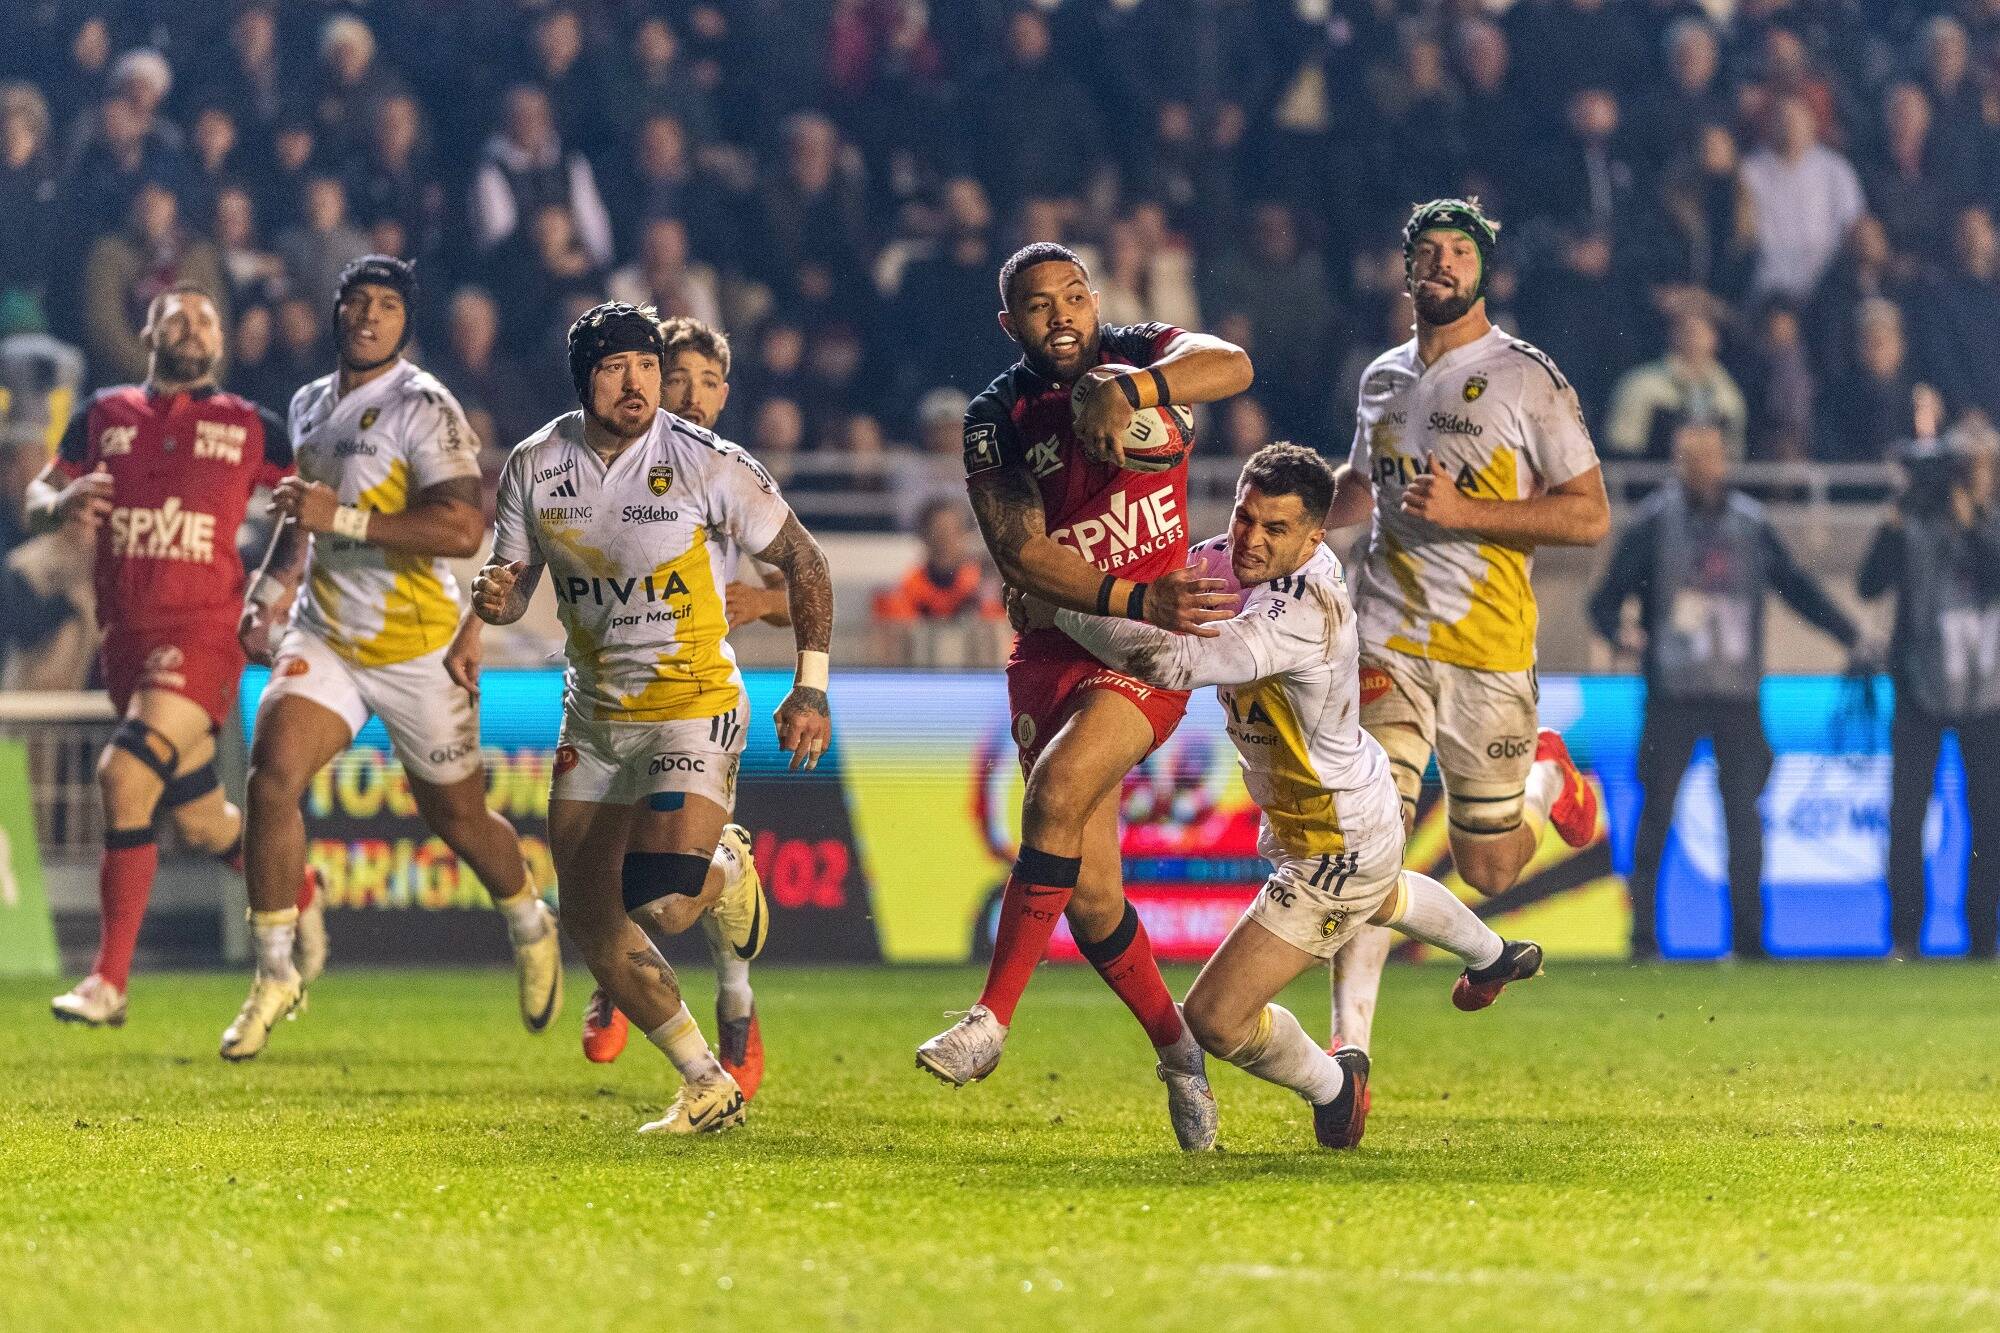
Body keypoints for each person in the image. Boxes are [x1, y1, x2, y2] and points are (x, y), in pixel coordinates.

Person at [1042, 445, 1543, 1148]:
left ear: (1315, 537)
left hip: (1334, 845)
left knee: (1215, 1017)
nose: (1250, 540)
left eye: (1275, 529)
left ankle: (1335, 1087)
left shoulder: (1302, 610)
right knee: (1385, 894)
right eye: (1245, 516)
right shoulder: (1228, 556)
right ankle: (1492, 955)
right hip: (1355, 801)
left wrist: (1058, 603)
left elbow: (1172, 660)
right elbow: (1156, 591)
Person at [913, 240, 1254, 1153]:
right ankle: (1181, 1054)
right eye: (1038, 305)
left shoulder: (1143, 352)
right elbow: (1021, 556)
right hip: (1065, 640)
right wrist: (1140, 593)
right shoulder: (997, 414)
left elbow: (1235, 363)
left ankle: (990, 1020)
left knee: (1055, 794)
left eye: (1073, 297)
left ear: (1095, 300)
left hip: (1146, 649)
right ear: (1010, 324)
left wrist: (1132, 392)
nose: (1060, 315)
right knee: (1094, 896)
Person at [472, 302, 835, 1135]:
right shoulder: (534, 463)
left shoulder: (706, 460)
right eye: (615, 366)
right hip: (595, 715)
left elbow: (805, 559)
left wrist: (810, 686)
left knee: (666, 901)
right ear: (584, 379)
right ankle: (705, 1080)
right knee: (593, 918)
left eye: (645, 363)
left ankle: (727, 870)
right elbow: (514, 580)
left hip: (691, 703)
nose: (636, 381)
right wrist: (497, 594)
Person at [226, 257, 561, 1060]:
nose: (369, 316)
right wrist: (270, 588)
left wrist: (339, 517)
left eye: (386, 305)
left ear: (405, 322)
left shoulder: (426, 406)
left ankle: (528, 917)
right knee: (271, 780)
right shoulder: (309, 401)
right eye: (356, 302)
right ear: (336, 311)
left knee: (458, 818)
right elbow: (303, 518)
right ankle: (274, 971)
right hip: (327, 633)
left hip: (419, 646)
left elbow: (460, 529)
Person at [1319, 199, 1607, 1128]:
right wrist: (1277, 518)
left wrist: (1471, 515)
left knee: (1490, 867)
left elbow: (1589, 515)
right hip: (1386, 641)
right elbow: (1362, 491)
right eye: (1427, 254)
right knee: (1368, 844)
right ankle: (1348, 1060)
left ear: (1485, 269)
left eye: (1459, 252)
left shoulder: (1527, 379)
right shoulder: (1379, 379)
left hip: (1487, 653)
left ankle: (1543, 778)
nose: (1442, 266)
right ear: (1405, 271)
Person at [28, 285, 296, 1026]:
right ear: (147, 330)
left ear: (224, 339)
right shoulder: (103, 414)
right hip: (126, 645)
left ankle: (107, 982)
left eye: (207, 316)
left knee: (123, 771)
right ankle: (301, 893)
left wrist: (274, 589)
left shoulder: (252, 426)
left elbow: (311, 509)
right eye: (176, 313)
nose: (192, 324)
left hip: (204, 634)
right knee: (205, 823)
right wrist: (59, 503)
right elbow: (37, 495)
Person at [1590, 422, 1861, 959]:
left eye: (1709, 457)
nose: (1701, 468)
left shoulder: (1750, 525)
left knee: (1743, 814)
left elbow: (1796, 585)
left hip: (1737, 694)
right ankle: (1643, 935)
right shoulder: (1653, 524)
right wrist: (1620, 633)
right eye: (1691, 458)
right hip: (1673, 693)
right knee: (1659, 813)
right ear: (1677, 462)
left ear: (1724, 460)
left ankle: (1749, 939)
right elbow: (1604, 598)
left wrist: (1846, 631)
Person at [1858, 426, 2000, 958]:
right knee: (1907, 817)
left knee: (1990, 818)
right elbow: (1869, 584)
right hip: (1919, 689)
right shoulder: (1914, 523)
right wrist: (1896, 520)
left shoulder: (1990, 521)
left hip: (1987, 693)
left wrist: (1977, 522)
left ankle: (1984, 937)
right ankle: (1905, 936)